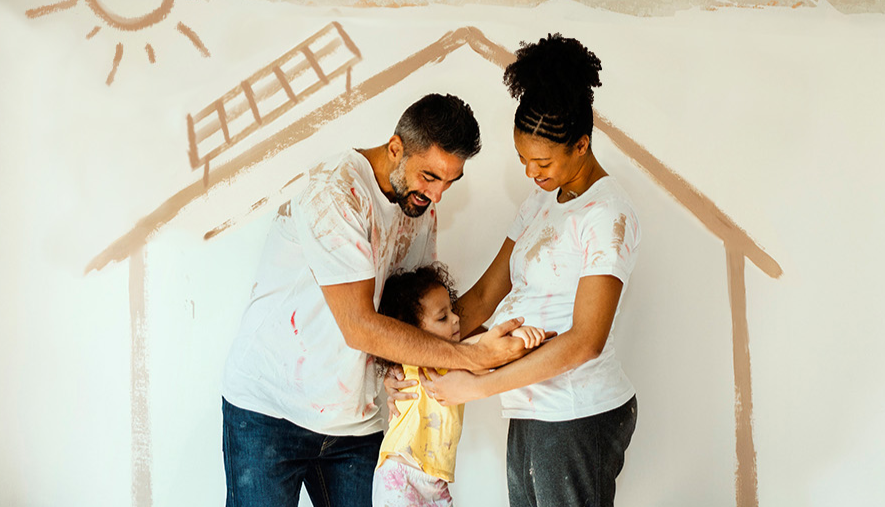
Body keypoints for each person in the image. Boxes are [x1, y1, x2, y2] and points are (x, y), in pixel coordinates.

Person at [221, 93, 531, 507]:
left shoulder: (419, 210)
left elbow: (409, 319)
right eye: (429, 177)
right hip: (269, 411)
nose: (436, 195)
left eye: (448, 182)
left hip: (357, 424)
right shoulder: (335, 193)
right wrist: (473, 358)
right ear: (395, 148)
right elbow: (359, 325)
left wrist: (397, 366)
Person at [386, 35, 642, 506]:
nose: (530, 172)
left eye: (542, 162)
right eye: (523, 159)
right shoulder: (542, 199)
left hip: (576, 412)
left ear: (581, 145)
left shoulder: (608, 214)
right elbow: (484, 296)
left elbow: (586, 341)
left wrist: (477, 383)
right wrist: (412, 359)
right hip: (530, 404)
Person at [372, 264, 546, 507]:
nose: (456, 319)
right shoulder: (418, 360)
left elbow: (486, 354)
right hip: (401, 475)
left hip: (435, 481)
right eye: (443, 317)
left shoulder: (455, 359)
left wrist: (521, 338)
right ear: (411, 332)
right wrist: (516, 336)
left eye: (452, 311)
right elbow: (481, 348)